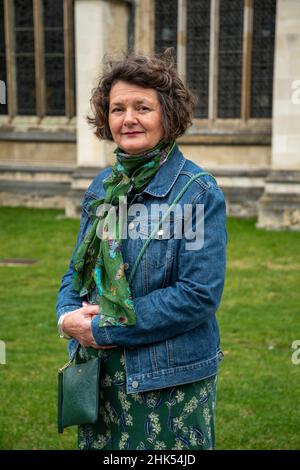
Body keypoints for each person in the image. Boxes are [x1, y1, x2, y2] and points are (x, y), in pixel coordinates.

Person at [56, 50, 227, 451]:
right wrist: (65, 318)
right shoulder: (102, 189)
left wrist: (101, 328)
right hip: (100, 378)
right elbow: (76, 272)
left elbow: (197, 294)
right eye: (117, 108)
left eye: (142, 107)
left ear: (167, 115)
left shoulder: (197, 193)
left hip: (168, 383)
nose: (128, 118)